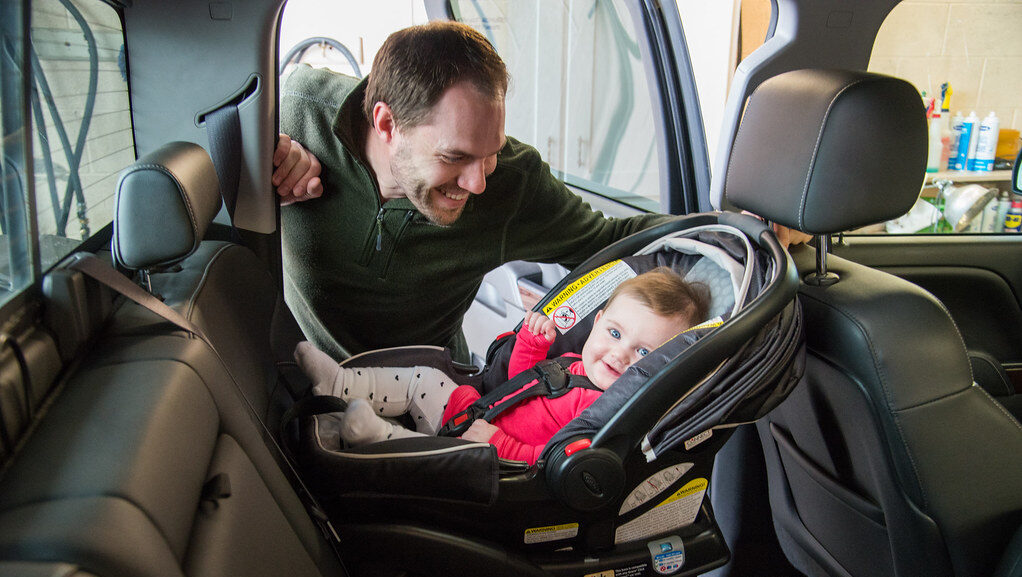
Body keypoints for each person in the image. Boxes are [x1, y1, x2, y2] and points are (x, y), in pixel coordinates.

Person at [273, 21, 673, 364]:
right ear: (387, 124)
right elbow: (211, 185)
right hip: (304, 377)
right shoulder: (295, 111)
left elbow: (613, 242)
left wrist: (726, 232)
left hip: (430, 405)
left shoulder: (513, 183)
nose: (477, 183)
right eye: (454, 156)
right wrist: (262, 169)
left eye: (491, 154)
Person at [294, 267, 709, 465]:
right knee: (429, 378)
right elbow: (519, 382)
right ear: (597, 323)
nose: (619, 355)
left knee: (431, 456)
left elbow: (555, 459)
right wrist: (531, 343)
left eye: (642, 354)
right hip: (475, 409)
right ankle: (341, 381)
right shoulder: (571, 362)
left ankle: (375, 437)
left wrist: (498, 443)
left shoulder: (608, 411)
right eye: (616, 335)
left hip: (490, 456)